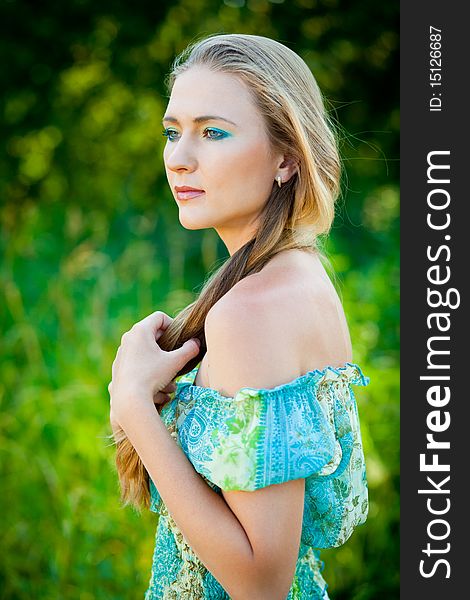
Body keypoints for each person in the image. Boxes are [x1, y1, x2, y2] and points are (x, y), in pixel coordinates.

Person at [108, 33, 370, 600]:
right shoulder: (299, 272)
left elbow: (261, 583)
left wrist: (133, 405)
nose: (178, 158)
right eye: (172, 132)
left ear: (286, 159)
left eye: (214, 132)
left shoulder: (254, 311)